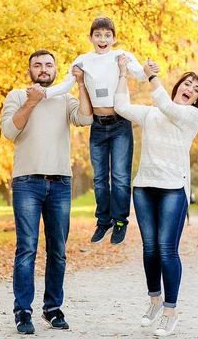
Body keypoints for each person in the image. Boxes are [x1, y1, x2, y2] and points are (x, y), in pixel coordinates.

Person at [113, 56, 198, 336]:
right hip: (145, 187)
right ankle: (154, 302)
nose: (190, 89)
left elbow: (166, 105)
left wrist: (149, 76)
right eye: (187, 84)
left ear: (197, 99)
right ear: (177, 86)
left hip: (174, 189)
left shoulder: (190, 116)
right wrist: (123, 72)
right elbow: (121, 107)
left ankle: (170, 313)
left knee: (167, 249)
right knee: (150, 249)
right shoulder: (150, 113)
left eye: (196, 89)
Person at [0, 49, 93, 334]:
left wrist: (82, 84)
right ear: (30, 70)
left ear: (56, 70)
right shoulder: (17, 95)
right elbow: (8, 131)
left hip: (61, 184)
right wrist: (31, 101)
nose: (43, 69)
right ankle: (23, 311)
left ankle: (52, 309)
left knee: (58, 251)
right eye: (37, 65)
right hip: (27, 182)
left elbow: (87, 119)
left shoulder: (65, 98)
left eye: (48, 65)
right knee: (26, 249)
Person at [45, 17, 148, 245]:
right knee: (100, 178)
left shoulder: (121, 56)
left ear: (114, 38)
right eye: (98, 35)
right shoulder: (83, 60)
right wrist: (44, 94)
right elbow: (64, 85)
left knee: (120, 177)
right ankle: (103, 221)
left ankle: (120, 221)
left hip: (120, 123)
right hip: (98, 126)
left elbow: (140, 73)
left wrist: (148, 70)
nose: (103, 39)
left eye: (107, 35)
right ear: (90, 38)